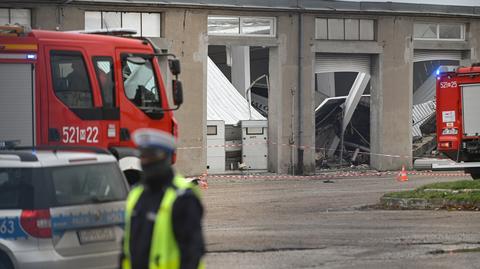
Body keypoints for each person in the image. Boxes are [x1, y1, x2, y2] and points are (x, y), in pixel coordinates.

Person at [121, 128, 206, 269]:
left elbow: (192, 253)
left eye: (151, 157)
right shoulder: (136, 193)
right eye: (142, 156)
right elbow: (126, 247)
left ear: (166, 158)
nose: (145, 161)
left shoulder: (183, 198)